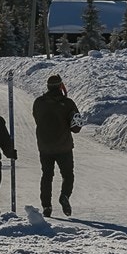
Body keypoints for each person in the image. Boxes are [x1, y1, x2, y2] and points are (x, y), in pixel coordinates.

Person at [33, 73, 81, 217]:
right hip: (64, 146)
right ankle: (64, 195)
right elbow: (76, 127)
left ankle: (46, 206)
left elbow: (37, 119)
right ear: (61, 86)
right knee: (68, 175)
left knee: (47, 176)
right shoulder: (68, 103)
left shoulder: (39, 102)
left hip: (45, 146)